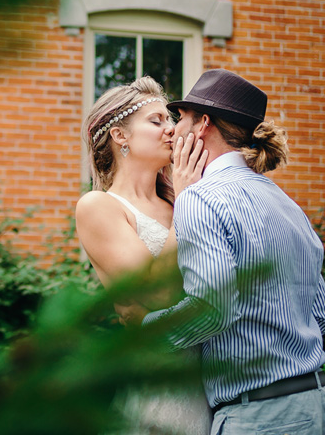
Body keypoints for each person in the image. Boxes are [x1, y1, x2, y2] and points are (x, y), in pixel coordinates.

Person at [143, 68, 325, 434]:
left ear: (203, 124)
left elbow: (212, 310)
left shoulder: (200, 198)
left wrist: (144, 332)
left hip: (259, 417)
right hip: (319, 406)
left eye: (180, 117)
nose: (174, 128)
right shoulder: (287, 203)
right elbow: (323, 316)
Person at [75, 75, 211, 435]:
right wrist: (187, 201)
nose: (172, 130)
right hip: (159, 384)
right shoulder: (98, 207)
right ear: (120, 136)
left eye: (170, 120)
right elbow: (158, 295)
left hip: (214, 381)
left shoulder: (177, 200)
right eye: (157, 121)